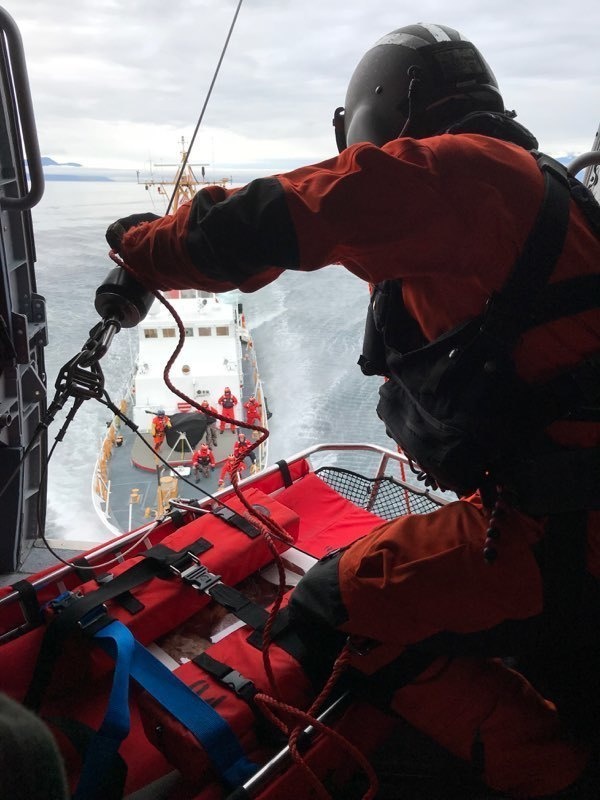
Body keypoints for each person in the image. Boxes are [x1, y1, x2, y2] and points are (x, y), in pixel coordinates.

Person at [106, 23, 600, 798]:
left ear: (379, 114)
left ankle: (557, 777)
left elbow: (271, 219)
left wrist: (143, 248)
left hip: (560, 535)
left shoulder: (455, 174)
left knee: (340, 605)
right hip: (557, 513)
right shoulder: (536, 191)